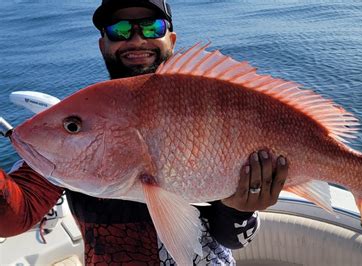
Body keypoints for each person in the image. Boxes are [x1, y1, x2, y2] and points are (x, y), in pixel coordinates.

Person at [0, 0, 288, 264]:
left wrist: (239, 209)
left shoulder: (212, 105)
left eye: (152, 26)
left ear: (171, 40)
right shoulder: (83, 123)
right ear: (103, 44)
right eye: (120, 29)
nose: (137, 39)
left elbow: (233, 240)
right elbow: (14, 216)